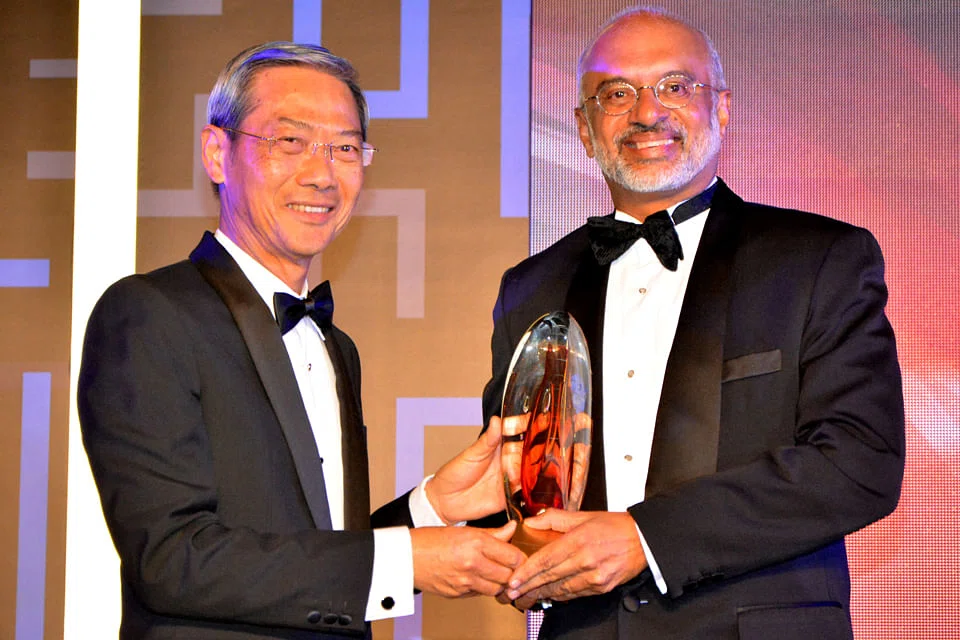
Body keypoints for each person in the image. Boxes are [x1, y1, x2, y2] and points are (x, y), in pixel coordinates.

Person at [483, 7, 905, 639]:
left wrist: (645, 539)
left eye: (675, 86)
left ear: (722, 108)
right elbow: (514, 472)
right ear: (584, 128)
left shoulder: (819, 259)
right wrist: (515, 553)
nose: (646, 112)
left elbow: (858, 462)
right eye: (615, 93)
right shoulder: (531, 286)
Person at [77, 42, 524, 639]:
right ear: (217, 153)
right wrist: (406, 560)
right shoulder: (148, 314)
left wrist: (433, 507)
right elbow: (172, 558)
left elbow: (317, 555)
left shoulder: (337, 347)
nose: (321, 173)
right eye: (290, 141)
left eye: (345, 148)